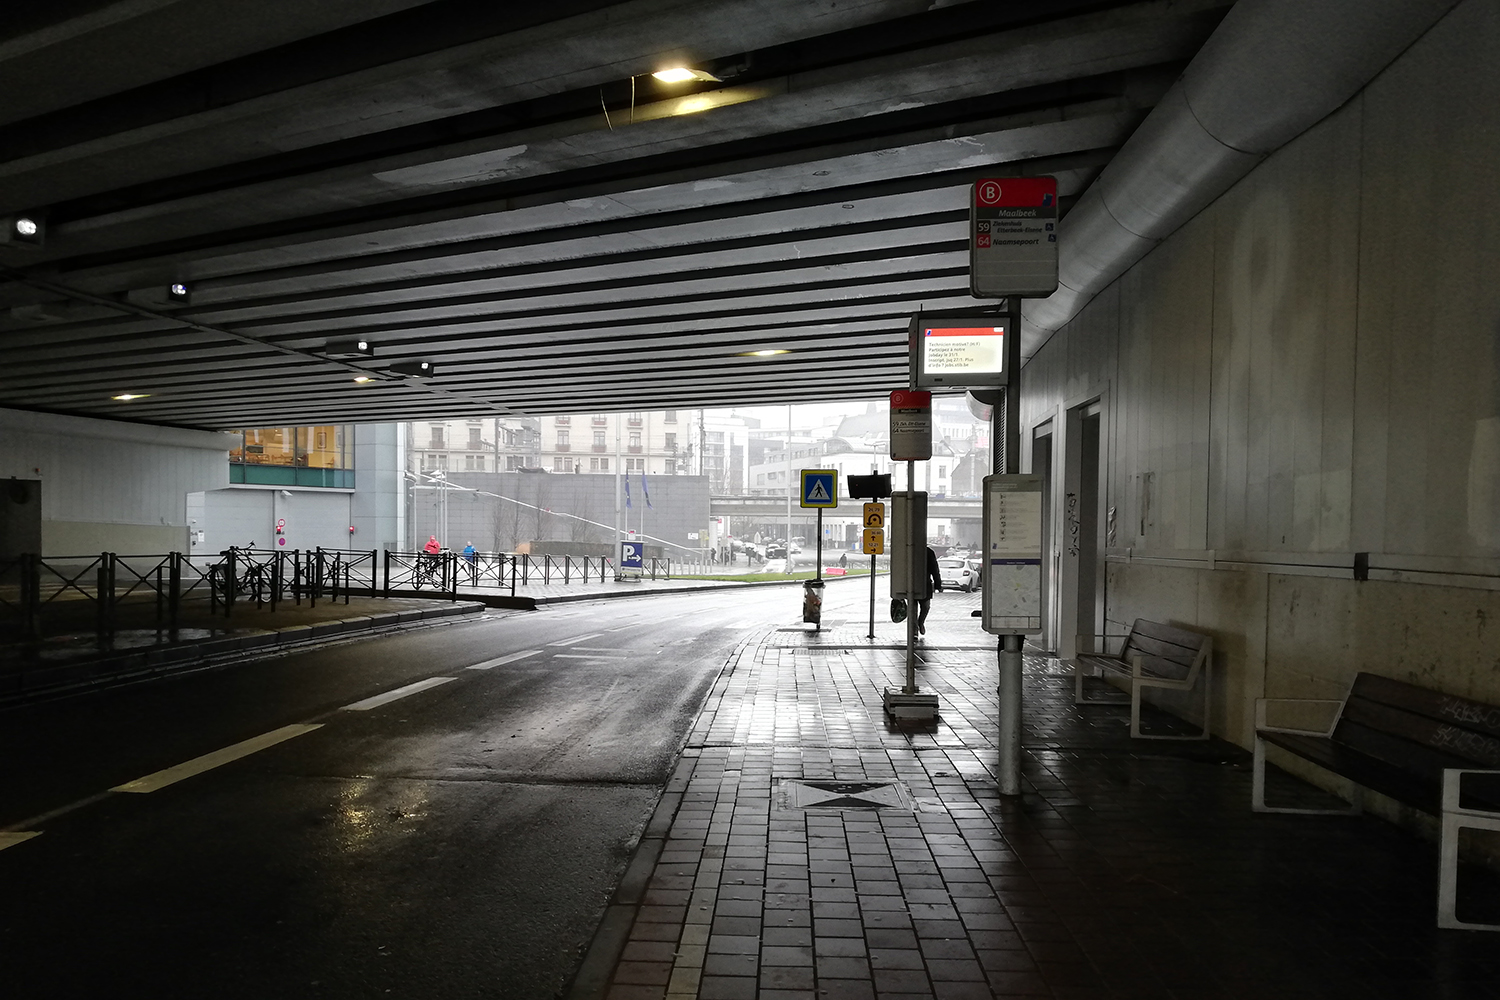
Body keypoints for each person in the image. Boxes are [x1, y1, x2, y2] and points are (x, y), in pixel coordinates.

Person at [916, 545, 942, 635]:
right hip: (911, 584)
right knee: (912, 609)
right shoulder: (908, 550)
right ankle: (914, 630)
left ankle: (920, 622)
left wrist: (938, 584)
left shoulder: (928, 552)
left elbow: (935, 569)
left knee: (926, 607)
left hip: (925, 584)